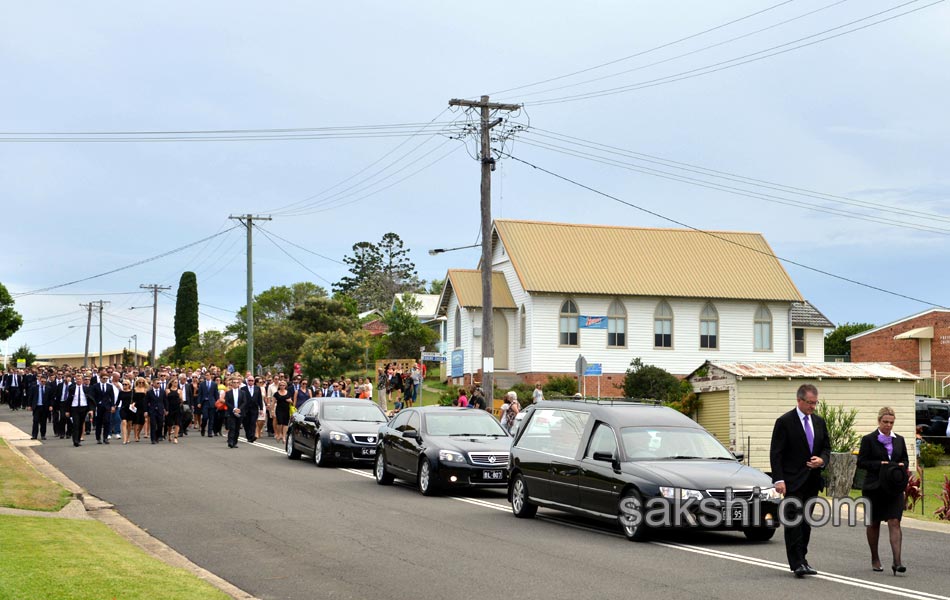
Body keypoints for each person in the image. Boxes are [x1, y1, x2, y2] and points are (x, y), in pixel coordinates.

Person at [769, 383, 831, 578]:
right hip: (791, 481)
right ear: (799, 400)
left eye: (815, 403)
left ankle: (803, 559)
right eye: (810, 403)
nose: (813, 406)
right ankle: (796, 563)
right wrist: (778, 479)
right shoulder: (785, 422)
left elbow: (826, 448)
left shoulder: (819, 422)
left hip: (812, 481)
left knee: (806, 522)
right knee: (794, 521)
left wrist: (822, 460)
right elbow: (776, 453)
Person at [857, 407, 909, 575]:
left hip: (893, 489)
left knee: (895, 521)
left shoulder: (899, 440)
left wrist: (902, 466)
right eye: (885, 422)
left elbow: (905, 460)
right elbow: (862, 462)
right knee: (874, 523)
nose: (888, 425)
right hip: (874, 488)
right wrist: (880, 464)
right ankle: (875, 558)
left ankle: (897, 561)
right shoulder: (868, 439)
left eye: (891, 422)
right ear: (879, 421)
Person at [27, 375, 53, 440]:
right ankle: (34, 435)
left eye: (44, 381)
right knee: (35, 421)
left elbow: (51, 398)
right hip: (36, 407)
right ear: (39, 380)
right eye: (42, 381)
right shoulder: (34, 388)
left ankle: (43, 435)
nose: (43, 382)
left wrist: (51, 405)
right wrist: (29, 405)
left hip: (44, 407)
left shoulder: (48, 388)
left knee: (43, 422)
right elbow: (31, 397)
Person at [225, 376, 246, 449]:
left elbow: (244, 402)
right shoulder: (228, 393)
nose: (235, 384)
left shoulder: (242, 392)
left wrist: (239, 409)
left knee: (237, 428)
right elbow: (227, 402)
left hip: (240, 412)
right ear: (231, 384)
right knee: (232, 427)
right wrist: (234, 408)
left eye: (237, 382)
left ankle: (235, 442)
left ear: (239, 384)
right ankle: (230, 441)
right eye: (234, 382)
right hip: (231, 412)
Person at [147, 378, 167, 444]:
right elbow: (146, 402)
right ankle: (153, 439)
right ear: (153, 384)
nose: (159, 384)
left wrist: (166, 409)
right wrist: (146, 411)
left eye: (160, 383)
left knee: (160, 424)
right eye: (157, 383)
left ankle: (158, 436)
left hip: (160, 410)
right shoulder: (149, 392)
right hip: (152, 411)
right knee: (153, 425)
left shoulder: (162, 391)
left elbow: (165, 401)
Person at [131, 377, 148, 442]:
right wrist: (132, 404)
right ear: (137, 382)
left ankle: (138, 433)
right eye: (139, 382)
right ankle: (135, 436)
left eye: (142, 382)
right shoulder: (134, 389)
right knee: (136, 421)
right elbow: (132, 398)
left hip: (143, 406)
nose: (141, 384)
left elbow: (147, 399)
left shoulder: (145, 390)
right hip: (136, 406)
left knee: (142, 421)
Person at [165, 379, 182, 444]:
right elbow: (165, 400)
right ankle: (169, 434)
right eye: (175, 382)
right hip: (170, 408)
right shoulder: (167, 390)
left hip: (177, 408)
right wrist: (166, 409)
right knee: (169, 424)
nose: (176, 384)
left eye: (177, 382)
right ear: (171, 383)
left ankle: (175, 437)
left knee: (177, 423)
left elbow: (181, 399)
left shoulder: (179, 390)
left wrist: (180, 399)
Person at [118, 379, 134, 444]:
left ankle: (128, 437)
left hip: (130, 409)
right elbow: (118, 400)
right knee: (124, 422)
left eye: (126, 384)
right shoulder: (121, 392)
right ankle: (124, 439)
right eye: (123, 384)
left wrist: (133, 404)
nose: (124, 385)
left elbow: (135, 400)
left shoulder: (132, 392)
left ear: (129, 385)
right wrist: (115, 406)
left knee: (129, 424)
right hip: (123, 408)